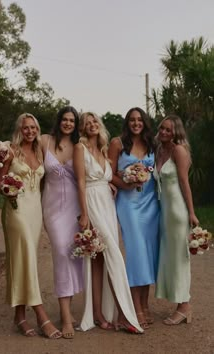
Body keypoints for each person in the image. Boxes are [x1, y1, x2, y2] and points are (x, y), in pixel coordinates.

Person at [73, 112, 143, 334]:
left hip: (107, 206)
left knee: (99, 261)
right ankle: (124, 315)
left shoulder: (103, 151)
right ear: (82, 128)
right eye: (87, 123)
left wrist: (133, 181)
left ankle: (98, 314)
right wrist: (84, 215)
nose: (92, 125)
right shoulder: (79, 149)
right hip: (92, 204)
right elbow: (81, 183)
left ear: (99, 125)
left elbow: (111, 178)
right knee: (114, 256)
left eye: (94, 121)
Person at [0, 113, 61, 339]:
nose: (30, 131)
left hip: (35, 210)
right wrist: (9, 190)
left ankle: (19, 316)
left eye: (34, 127)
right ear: (19, 129)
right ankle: (41, 315)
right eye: (26, 127)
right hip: (16, 209)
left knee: (26, 258)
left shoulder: (40, 152)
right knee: (27, 259)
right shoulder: (10, 150)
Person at [108, 107, 160, 329]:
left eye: (139, 120)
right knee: (136, 252)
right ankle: (135, 306)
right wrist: (127, 183)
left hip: (150, 205)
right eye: (132, 120)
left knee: (148, 254)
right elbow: (109, 173)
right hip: (129, 204)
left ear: (144, 122)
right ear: (127, 122)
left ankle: (145, 305)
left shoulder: (152, 144)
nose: (136, 123)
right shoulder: (117, 143)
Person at [41, 106, 84, 339]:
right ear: (58, 121)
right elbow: (25, 159)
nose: (68, 123)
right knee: (60, 252)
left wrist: (109, 183)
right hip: (52, 209)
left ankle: (66, 310)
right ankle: (66, 318)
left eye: (72, 120)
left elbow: (88, 174)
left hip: (74, 209)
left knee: (72, 255)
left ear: (76, 124)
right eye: (64, 119)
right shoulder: (44, 141)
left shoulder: (79, 145)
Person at [154, 114, 199, 325]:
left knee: (180, 258)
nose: (163, 132)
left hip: (178, 212)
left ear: (176, 132)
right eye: (162, 128)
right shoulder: (159, 150)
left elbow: (184, 182)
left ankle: (184, 307)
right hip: (164, 213)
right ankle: (180, 304)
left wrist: (191, 212)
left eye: (168, 130)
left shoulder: (179, 151)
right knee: (170, 258)